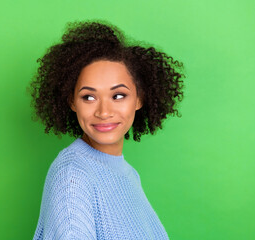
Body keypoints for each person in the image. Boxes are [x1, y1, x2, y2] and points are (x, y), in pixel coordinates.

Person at [28, 20, 185, 240]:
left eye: (118, 95)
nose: (104, 112)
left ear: (139, 98)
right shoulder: (72, 176)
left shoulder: (128, 173)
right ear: (72, 102)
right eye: (88, 97)